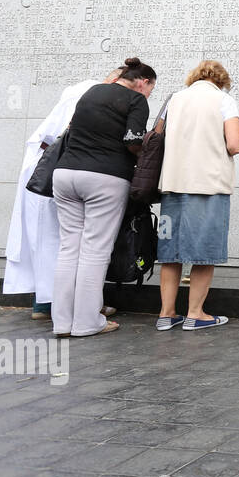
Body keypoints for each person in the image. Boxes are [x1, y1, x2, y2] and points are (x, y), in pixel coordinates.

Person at [4, 67, 123, 320]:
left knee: (47, 240)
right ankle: (78, 307)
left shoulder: (80, 92)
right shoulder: (95, 96)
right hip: (60, 167)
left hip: (46, 168)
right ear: (115, 80)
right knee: (69, 241)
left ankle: (45, 304)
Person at [52, 56, 157, 337]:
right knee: (95, 250)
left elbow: (71, 130)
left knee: (68, 249)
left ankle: (62, 322)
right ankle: (87, 322)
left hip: (64, 175)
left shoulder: (92, 92)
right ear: (143, 82)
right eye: (151, 89)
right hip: (105, 177)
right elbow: (133, 140)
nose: (149, 95)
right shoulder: (136, 101)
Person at [155, 60, 239, 331]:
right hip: (208, 186)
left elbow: (159, 135)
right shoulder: (223, 100)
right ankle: (196, 314)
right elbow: (234, 144)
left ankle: (166, 314)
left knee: (171, 253)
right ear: (221, 80)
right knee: (205, 253)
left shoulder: (175, 99)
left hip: (172, 185)